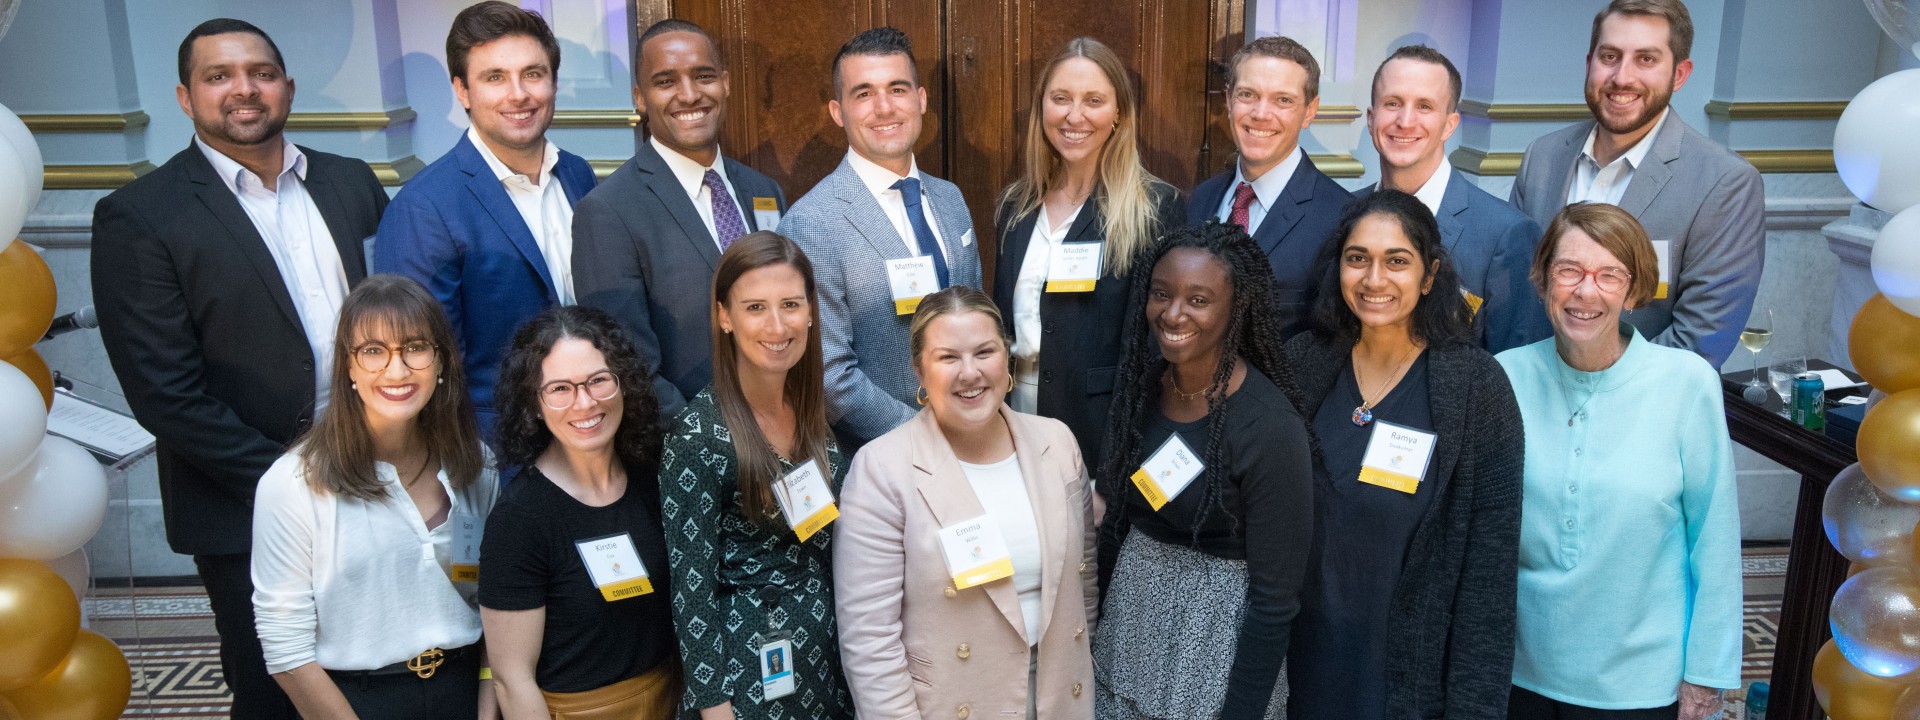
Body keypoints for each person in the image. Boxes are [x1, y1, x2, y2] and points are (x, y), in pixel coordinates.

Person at [90, 19, 388, 719]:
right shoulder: (139, 216)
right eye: (218, 76)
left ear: (286, 86)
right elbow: (166, 395)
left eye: (259, 72)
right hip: (246, 504)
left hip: (379, 478)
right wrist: (303, 488)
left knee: (385, 676)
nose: (243, 90)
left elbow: (398, 328)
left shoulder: (350, 184)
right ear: (184, 97)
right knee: (278, 692)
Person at [1282, 191, 1523, 720]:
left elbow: (1488, 585)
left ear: (1430, 274)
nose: (1374, 280)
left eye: (1397, 261)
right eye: (1357, 258)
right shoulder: (1300, 365)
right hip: (1295, 670)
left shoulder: (1477, 389)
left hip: (1402, 685)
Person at [1495, 203, 1740, 720]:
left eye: (1610, 275)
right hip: (1517, 672)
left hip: (1641, 683)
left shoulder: (1687, 384)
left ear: (1633, 292)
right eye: (1569, 271)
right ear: (1542, 283)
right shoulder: (1504, 379)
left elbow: (1714, 540)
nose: (1586, 291)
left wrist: (1707, 673)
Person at [834, 286, 1097, 720]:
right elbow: (869, 639)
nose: (970, 372)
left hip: (1060, 695)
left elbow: (1082, 585)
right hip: (953, 703)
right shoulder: (882, 470)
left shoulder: (1056, 442)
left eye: (984, 351)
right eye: (948, 357)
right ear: (919, 370)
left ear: (1007, 359)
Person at [252, 275, 499, 719]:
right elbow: (285, 648)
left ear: (441, 360)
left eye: (416, 347)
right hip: (355, 703)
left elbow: (485, 599)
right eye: (373, 352)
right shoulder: (294, 483)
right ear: (347, 367)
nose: (397, 370)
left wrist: (486, 711)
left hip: (463, 693)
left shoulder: (474, 466)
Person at [1093, 223, 1314, 720]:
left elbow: (1276, 601)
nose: (1173, 313)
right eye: (1161, 294)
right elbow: (1119, 525)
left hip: (1213, 656)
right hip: (1128, 636)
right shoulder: (1144, 389)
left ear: (1236, 308)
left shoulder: (1269, 426)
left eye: (1198, 299)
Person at [376, 1, 597, 436]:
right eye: (494, 77)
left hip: (592, 427)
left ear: (553, 81)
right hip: (503, 454)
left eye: (532, 73)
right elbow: (428, 372)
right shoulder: (424, 207)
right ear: (462, 91)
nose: (519, 94)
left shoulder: (577, 173)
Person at [661, 232, 855, 719]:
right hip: (748, 678)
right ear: (724, 316)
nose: (776, 325)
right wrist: (715, 708)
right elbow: (691, 590)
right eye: (754, 308)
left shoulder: (813, 413)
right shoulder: (697, 435)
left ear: (811, 311)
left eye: (790, 304)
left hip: (827, 665)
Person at [1509, 0, 1763, 367]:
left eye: (1646, 59)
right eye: (1610, 56)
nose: (1622, 77)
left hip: (1643, 411)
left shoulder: (1725, 183)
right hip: (1527, 397)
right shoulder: (1543, 157)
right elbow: (1519, 295)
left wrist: (1593, 393)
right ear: (1589, 62)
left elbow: (1700, 339)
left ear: (1679, 73)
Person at [573, 19, 789, 419]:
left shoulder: (765, 190)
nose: (690, 95)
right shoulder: (607, 212)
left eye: (703, 76)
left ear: (725, 83)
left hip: (788, 420)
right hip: (695, 449)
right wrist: (714, 443)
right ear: (640, 97)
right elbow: (627, 366)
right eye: (666, 81)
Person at [781, 27, 984, 447]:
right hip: (885, 461)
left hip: (976, 437)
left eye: (897, 88)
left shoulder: (950, 199)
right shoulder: (812, 222)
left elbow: (979, 323)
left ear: (921, 99)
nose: (885, 107)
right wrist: (925, 438)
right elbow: (830, 375)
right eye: (864, 94)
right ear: (838, 111)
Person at [991, 36, 1184, 470]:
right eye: (1061, 98)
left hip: (1096, 433)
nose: (1074, 115)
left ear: (1118, 113)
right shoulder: (1014, 207)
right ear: (1043, 107)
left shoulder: (1153, 209)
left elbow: (1151, 354)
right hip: (1009, 420)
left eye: (1093, 100)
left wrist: (1111, 475)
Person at [479, 306, 680, 718]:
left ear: (624, 385)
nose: (585, 403)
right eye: (560, 389)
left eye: (598, 381)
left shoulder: (653, 477)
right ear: (533, 404)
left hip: (672, 703)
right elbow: (511, 679)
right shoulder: (519, 519)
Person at [1358, 45, 1548, 354]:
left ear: (1450, 124)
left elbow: (1519, 368)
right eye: (1392, 103)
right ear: (1370, 118)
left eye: (1424, 106)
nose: (1405, 121)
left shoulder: (1506, 235)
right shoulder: (1343, 213)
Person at [1187, 36, 1352, 339]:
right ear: (1228, 100)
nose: (1261, 114)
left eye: (1283, 100)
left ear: (1310, 110)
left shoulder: (1341, 217)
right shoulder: (1201, 199)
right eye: (1247, 94)